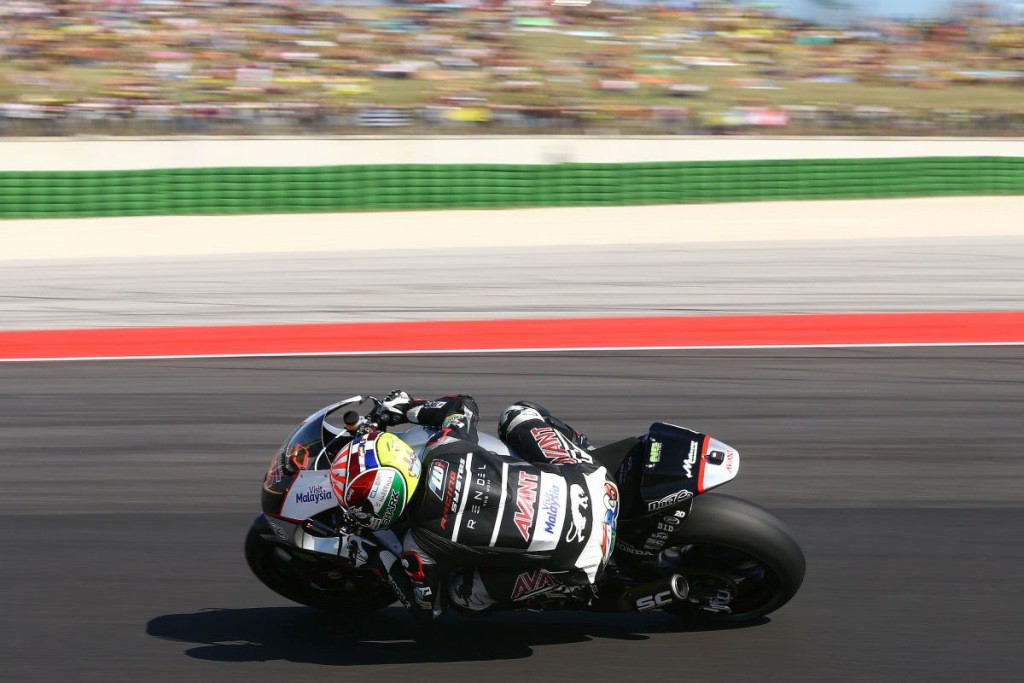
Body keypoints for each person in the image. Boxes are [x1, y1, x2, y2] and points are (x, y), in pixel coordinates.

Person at [328, 391, 620, 617]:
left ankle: (565, 588)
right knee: (517, 413)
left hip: (586, 559)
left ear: (384, 502)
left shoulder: (420, 544)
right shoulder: (445, 448)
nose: (354, 510)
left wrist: (378, 557)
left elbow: (429, 608)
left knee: (463, 598)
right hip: (596, 482)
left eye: (357, 503)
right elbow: (463, 406)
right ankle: (589, 451)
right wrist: (405, 408)